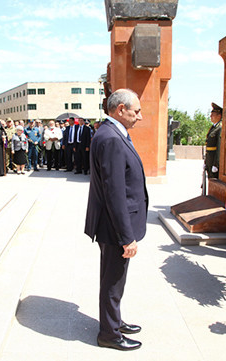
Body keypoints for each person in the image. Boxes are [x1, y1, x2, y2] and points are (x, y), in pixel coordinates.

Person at [84, 89, 148, 351]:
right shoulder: (111, 138)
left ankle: (114, 321)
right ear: (120, 109)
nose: (140, 117)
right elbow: (114, 192)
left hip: (115, 224)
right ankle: (109, 335)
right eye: (137, 111)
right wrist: (126, 237)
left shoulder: (113, 133)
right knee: (112, 281)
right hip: (114, 227)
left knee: (115, 280)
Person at [205, 102, 222, 178]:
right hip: (209, 159)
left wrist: (216, 164)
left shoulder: (220, 128)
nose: (210, 116)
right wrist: (206, 161)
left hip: (213, 160)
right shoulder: (213, 127)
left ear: (219, 116)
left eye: (213, 115)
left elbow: (219, 147)